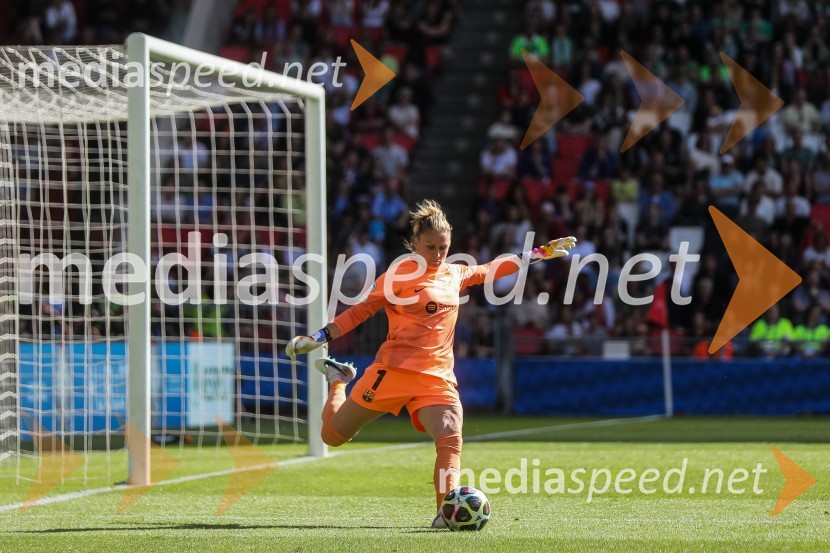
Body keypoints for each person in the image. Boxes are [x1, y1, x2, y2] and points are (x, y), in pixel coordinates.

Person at [286, 200, 576, 528]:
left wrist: (538, 253)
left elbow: (490, 269)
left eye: (444, 248)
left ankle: (444, 514)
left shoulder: (454, 273)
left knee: (450, 435)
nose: (438, 254)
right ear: (415, 242)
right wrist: (320, 336)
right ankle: (338, 379)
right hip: (391, 373)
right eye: (431, 247)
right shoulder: (396, 276)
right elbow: (359, 311)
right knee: (332, 436)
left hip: (436, 377)